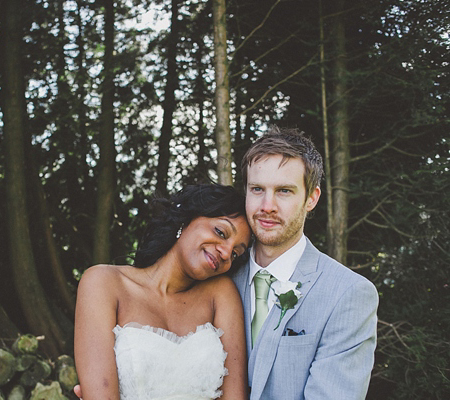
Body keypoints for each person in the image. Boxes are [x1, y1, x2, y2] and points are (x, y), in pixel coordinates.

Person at [231, 126, 378, 399]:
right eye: (257, 189)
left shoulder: (348, 294)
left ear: (311, 198)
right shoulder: (221, 276)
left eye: (284, 191)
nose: (267, 205)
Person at [74, 184, 253, 399]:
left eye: (235, 253)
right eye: (221, 232)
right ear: (186, 221)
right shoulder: (104, 283)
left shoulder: (221, 295)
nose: (225, 253)